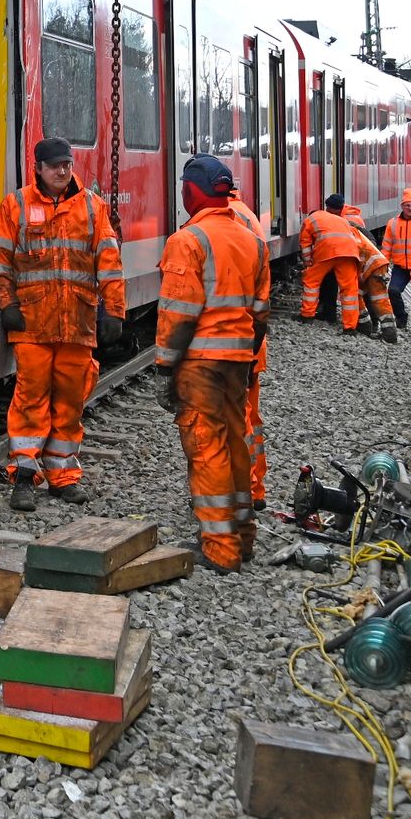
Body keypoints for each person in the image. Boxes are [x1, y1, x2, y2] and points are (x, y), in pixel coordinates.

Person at [0, 137, 125, 512]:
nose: (63, 171)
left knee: (71, 401)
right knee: (30, 400)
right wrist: (7, 304)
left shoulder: (93, 208)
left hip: (77, 324)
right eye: (55, 166)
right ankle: (23, 477)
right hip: (32, 322)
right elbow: (0, 262)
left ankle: (63, 476)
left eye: (67, 164)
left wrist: (114, 311)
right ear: (39, 169)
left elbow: (109, 263)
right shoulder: (15, 205)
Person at [157, 155, 270, 572]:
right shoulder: (251, 240)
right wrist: (244, 350)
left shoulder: (188, 241)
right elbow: (261, 312)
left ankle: (220, 549)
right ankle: (243, 536)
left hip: (199, 361)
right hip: (238, 359)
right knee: (237, 440)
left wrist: (166, 366)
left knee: (206, 447)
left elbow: (179, 313)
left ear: (191, 192)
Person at [224, 186, 270, 521]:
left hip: (230, 342)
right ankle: (255, 491)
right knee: (250, 417)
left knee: (233, 421)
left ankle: (240, 493)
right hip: (252, 342)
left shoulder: (220, 222)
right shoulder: (249, 217)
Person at [299, 194, 362, 332]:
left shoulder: (311, 219)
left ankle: (307, 315)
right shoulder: (343, 221)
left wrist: (308, 260)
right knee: (349, 289)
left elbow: (305, 242)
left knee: (311, 281)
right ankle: (350, 326)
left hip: (327, 253)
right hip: (349, 253)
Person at [381, 189, 411, 335]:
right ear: (402, 206)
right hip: (400, 266)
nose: (410, 208)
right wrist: (383, 263)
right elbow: (387, 245)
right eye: (407, 205)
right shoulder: (393, 223)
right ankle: (401, 317)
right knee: (393, 291)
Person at [352, 229, 400, 343]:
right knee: (381, 300)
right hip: (379, 265)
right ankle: (389, 332)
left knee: (354, 293)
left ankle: (365, 325)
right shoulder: (357, 232)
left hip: (370, 267)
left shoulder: (348, 234)